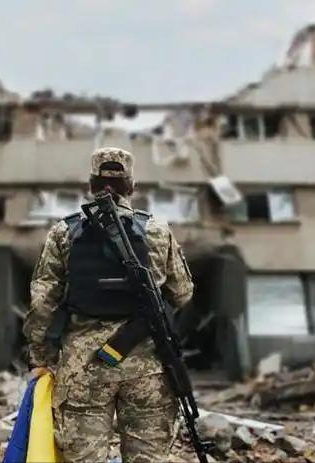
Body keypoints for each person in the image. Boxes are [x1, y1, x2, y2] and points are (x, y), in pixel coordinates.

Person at [23, 146, 195, 462]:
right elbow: (182, 294)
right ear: (131, 186)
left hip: (83, 369)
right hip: (147, 368)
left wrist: (40, 358)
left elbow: (43, 301)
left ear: (91, 185)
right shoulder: (157, 230)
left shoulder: (64, 231)